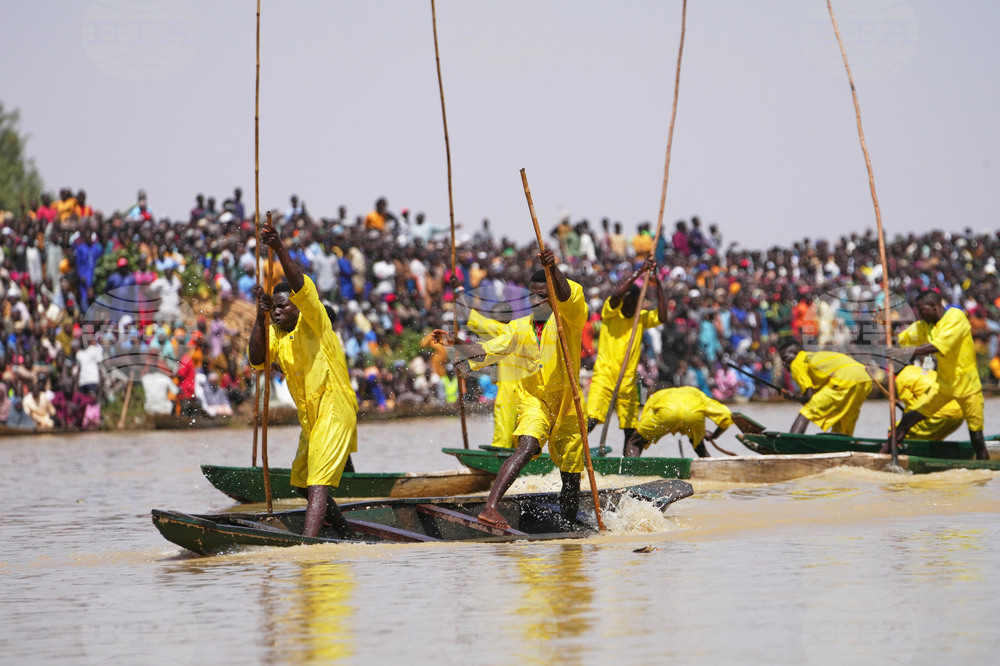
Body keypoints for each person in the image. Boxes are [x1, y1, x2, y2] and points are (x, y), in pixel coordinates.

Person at [433, 247, 588, 530]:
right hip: (535, 401)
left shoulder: (569, 319)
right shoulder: (518, 327)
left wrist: (554, 269)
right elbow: (488, 349)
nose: (536, 300)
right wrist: (455, 343)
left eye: (543, 294)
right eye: (532, 294)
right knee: (526, 445)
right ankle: (490, 506)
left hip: (569, 404)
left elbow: (567, 296)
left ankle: (569, 532)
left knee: (571, 476)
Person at [248, 218, 359, 538]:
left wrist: (278, 247)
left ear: (298, 307)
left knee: (317, 483)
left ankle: (307, 548)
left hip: (335, 409)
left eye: (283, 306)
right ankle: (348, 536)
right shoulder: (274, 332)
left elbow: (298, 285)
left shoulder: (315, 320)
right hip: (311, 418)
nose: (278, 311)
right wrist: (260, 315)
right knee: (301, 484)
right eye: (275, 308)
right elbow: (256, 360)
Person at [885, 290, 988, 459]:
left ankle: (984, 472)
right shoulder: (925, 326)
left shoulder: (955, 317)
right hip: (944, 388)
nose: (919, 314)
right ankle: (886, 457)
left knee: (977, 437)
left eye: (922, 310)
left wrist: (906, 352)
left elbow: (938, 346)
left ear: (934, 306)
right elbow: (902, 338)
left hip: (969, 388)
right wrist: (887, 328)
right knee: (907, 421)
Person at [586, 257, 667, 450]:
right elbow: (616, 295)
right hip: (604, 377)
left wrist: (659, 286)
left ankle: (628, 468)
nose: (631, 308)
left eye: (635, 304)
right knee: (590, 420)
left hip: (629, 381)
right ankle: (572, 456)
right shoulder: (611, 312)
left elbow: (663, 316)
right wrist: (638, 273)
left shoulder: (641, 317)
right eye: (628, 303)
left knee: (631, 429)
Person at [778, 337, 872, 436]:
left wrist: (794, 398)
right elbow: (814, 398)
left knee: (806, 412)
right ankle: (843, 446)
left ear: (797, 351)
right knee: (844, 420)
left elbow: (809, 399)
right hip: (864, 377)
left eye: (785, 358)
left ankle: (792, 443)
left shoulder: (797, 362)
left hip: (845, 377)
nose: (784, 363)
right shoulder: (814, 358)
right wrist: (795, 398)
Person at [624, 386, 733, 457]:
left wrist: (641, 436)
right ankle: (710, 472)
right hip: (693, 413)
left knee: (635, 441)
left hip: (668, 411)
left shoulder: (658, 395)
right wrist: (713, 435)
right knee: (699, 445)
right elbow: (727, 416)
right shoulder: (697, 393)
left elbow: (645, 418)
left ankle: (629, 472)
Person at [893, 365, 963, 441]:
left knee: (895, 430)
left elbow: (911, 406)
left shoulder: (901, 379)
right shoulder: (919, 370)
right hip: (960, 413)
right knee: (934, 438)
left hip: (941, 415)